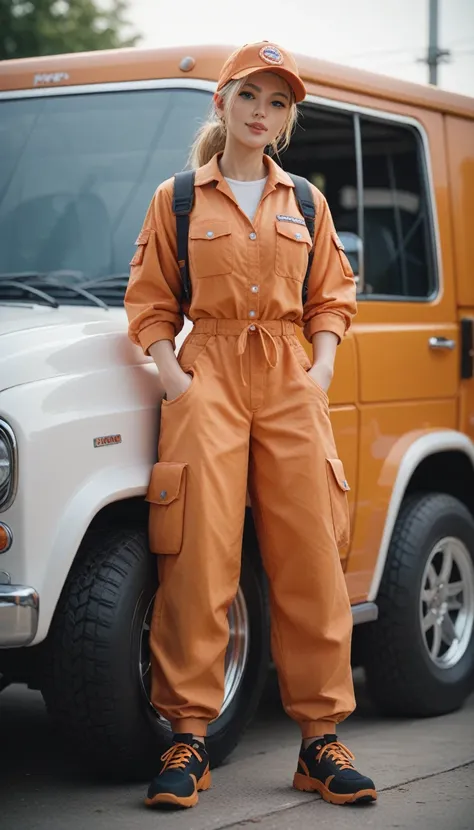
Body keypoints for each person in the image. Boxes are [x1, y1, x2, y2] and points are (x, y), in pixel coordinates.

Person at [124, 41, 377, 810]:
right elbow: (149, 302)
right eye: (250, 98)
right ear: (222, 104)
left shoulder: (305, 200)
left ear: (287, 118)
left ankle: (319, 742)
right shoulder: (177, 198)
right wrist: (178, 382)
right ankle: (189, 735)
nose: (262, 113)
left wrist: (320, 369)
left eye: (277, 103)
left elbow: (333, 294)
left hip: (291, 378)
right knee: (199, 555)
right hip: (208, 376)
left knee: (309, 553)